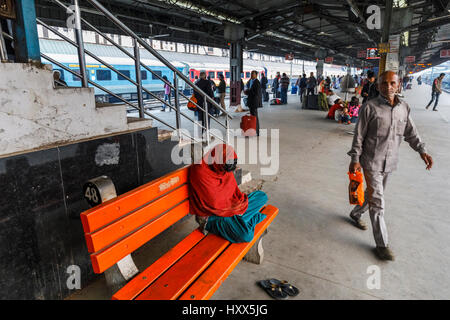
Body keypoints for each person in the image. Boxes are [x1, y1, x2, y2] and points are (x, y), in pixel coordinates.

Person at [348, 71, 433, 261]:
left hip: (390, 161)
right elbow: (359, 136)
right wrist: (355, 159)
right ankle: (382, 245)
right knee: (378, 201)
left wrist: (422, 151)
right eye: (384, 83)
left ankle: (355, 213)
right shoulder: (369, 108)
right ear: (378, 86)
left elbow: (411, 132)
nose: (388, 86)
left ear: (399, 84)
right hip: (370, 161)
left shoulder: (404, 107)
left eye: (392, 83)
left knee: (372, 194)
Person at [189, 144, 268, 242]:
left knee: (262, 196)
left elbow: (232, 192)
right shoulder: (200, 171)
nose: (228, 171)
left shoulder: (221, 166)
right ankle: (250, 219)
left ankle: (240, 219)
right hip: (212, 216)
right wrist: (237, 207)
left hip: (229, 208)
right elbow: (214, 203)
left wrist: (237, 206)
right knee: (246, 235)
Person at [244, 70, 262, 136]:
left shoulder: (257, 82)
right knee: (252, 116)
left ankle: (256, 131)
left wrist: (248, 92)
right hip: (251, 102)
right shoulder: (250, 81)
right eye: (251, 74)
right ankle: (252, 130)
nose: (251, 75)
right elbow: (248, 88)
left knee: (254, 117)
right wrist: (247, 91)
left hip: (254, 102)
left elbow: (256, 93)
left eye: (253, 74)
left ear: (256, 75)